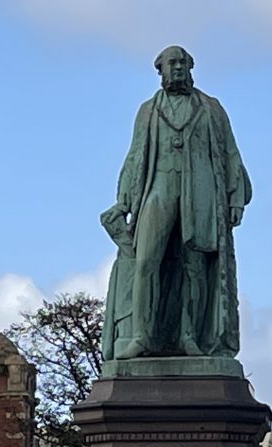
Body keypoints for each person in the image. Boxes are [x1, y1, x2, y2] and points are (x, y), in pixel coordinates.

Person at [101, 45, 251, 360]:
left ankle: (189, 336)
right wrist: (124, 201)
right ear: (160, 70)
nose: (179, 67)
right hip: (158, 189)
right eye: (173, 62)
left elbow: (230, 154)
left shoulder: (211, 108)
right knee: (145, 262)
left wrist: (235, 197)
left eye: (184, 62)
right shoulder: (147, 110)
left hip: (201, 194)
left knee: (194, 267)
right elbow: (135, 157)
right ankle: (142, 336)